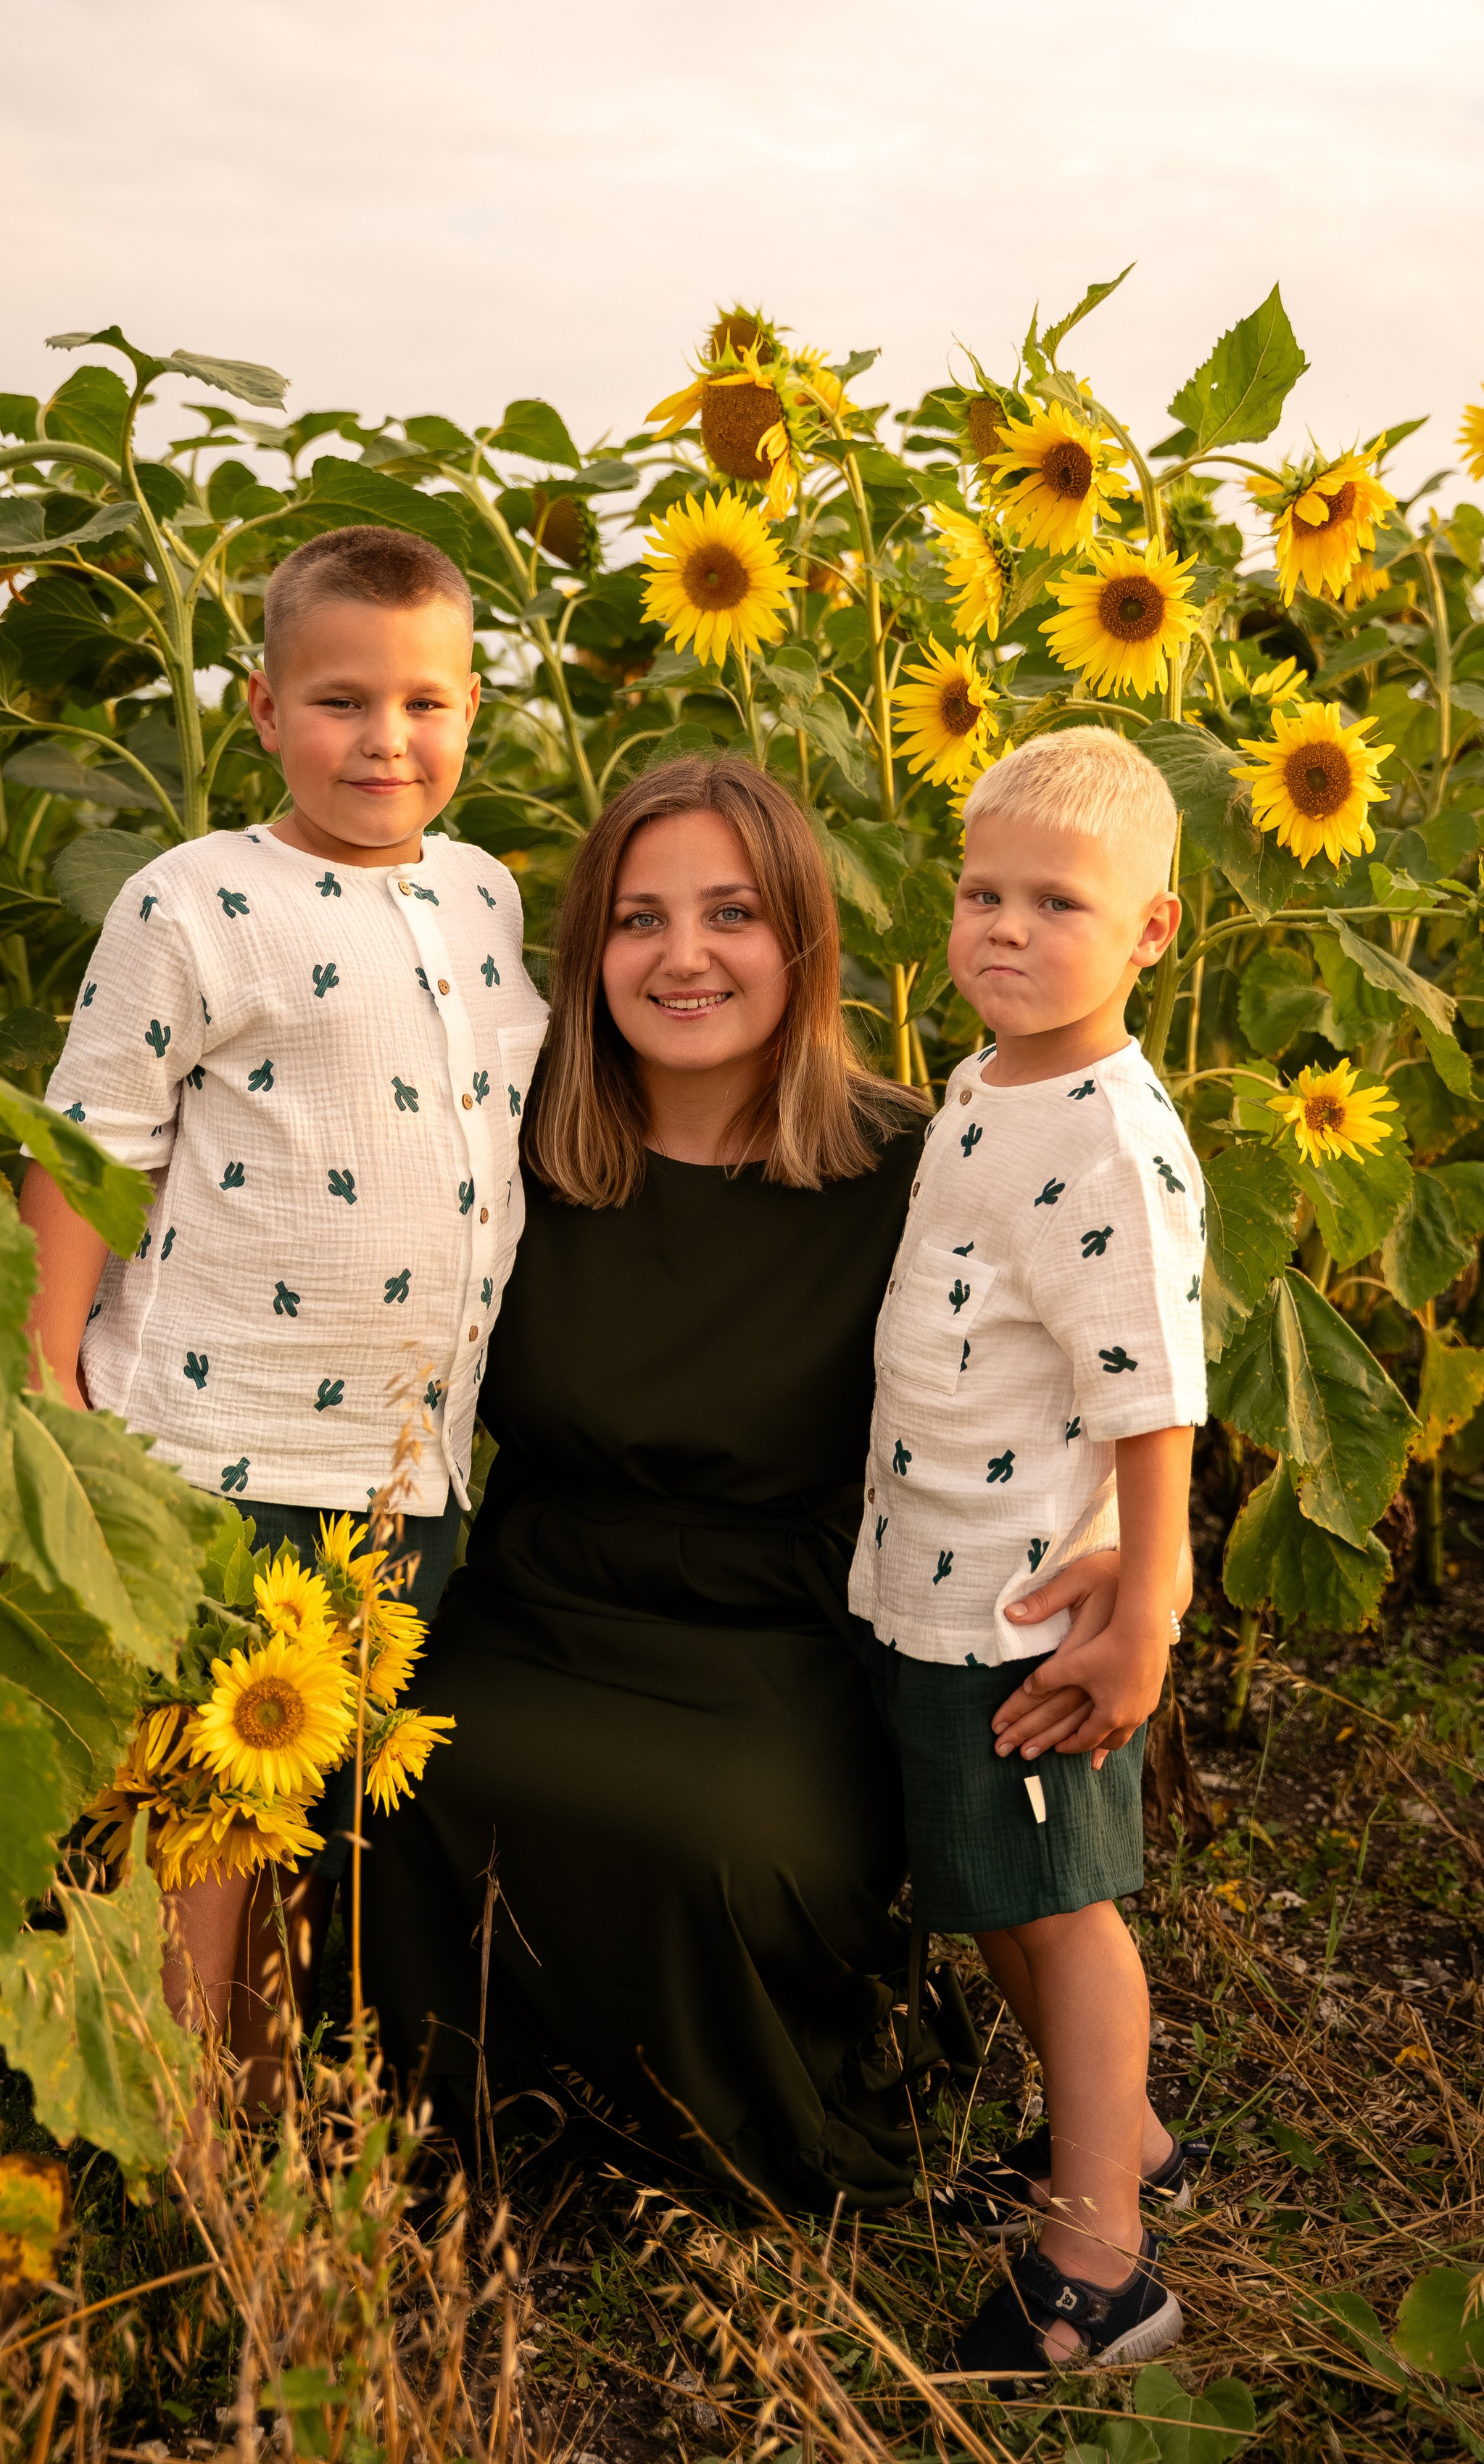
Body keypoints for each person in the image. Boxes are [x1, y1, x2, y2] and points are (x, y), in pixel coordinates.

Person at [362, 753, 1120, 2207]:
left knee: (710, 1841)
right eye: (638, 921)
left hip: (795, 1636)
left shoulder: (922, 1165)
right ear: (587, 954)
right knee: (391, 1794)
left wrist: (1127, 1554)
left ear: (799, 939)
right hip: (537, 1600)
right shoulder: (506, 1150)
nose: (684, 956)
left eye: (730, 913)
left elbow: (1097, 1362)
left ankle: (718, 2133)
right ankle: (448, 2122)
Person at [20, 522, 546, 2096]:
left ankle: (268, 2072)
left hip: (412, 1455)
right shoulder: (196, 901)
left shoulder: (485, 894)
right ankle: (177, 2119)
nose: (384, 740)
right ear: (260, 709)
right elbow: (89, 1143)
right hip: (221, 1434)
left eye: (424, 704)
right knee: (200, 1807)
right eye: (339, 701)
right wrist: (50, 1367)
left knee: (319, 1781)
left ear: (469, 714)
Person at [848, 726, 1206, 2373]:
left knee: (1060, 1905)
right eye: (979, 891)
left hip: (1025, 1598)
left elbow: (1152, 1388)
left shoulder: (1107, 1142)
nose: (1001, 926)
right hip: (936, 1573)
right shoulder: (994, 1081)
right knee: (995, 1880)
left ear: (1149, 932)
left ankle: (1098, 2266)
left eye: (1055, 901)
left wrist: (1148, 1596)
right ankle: (1115, 2136)